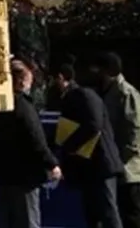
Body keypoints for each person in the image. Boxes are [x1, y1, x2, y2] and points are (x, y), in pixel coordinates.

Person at [0, 58, 60, 228]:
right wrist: (52, 164)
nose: (30, 84)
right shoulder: (23, 106)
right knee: (28, 220)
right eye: (29, 80)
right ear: (21, 81)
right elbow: (35, 138)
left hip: (3, 175)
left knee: (6, 220)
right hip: (24, 177)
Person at [52, 61, 125, 228]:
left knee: (108, 213)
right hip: (90, 166)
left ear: (61, 78)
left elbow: (93, 125)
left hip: (100, 164)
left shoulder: (83, 95)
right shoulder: (77, 96)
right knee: (94, 213)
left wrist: (70, 146)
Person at [90, 52, 140, 228]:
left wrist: (122, 161)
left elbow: (134, 132)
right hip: (109, 166)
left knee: (131, 216)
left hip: (128, 170)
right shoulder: (102, 91)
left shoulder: (126, 93)